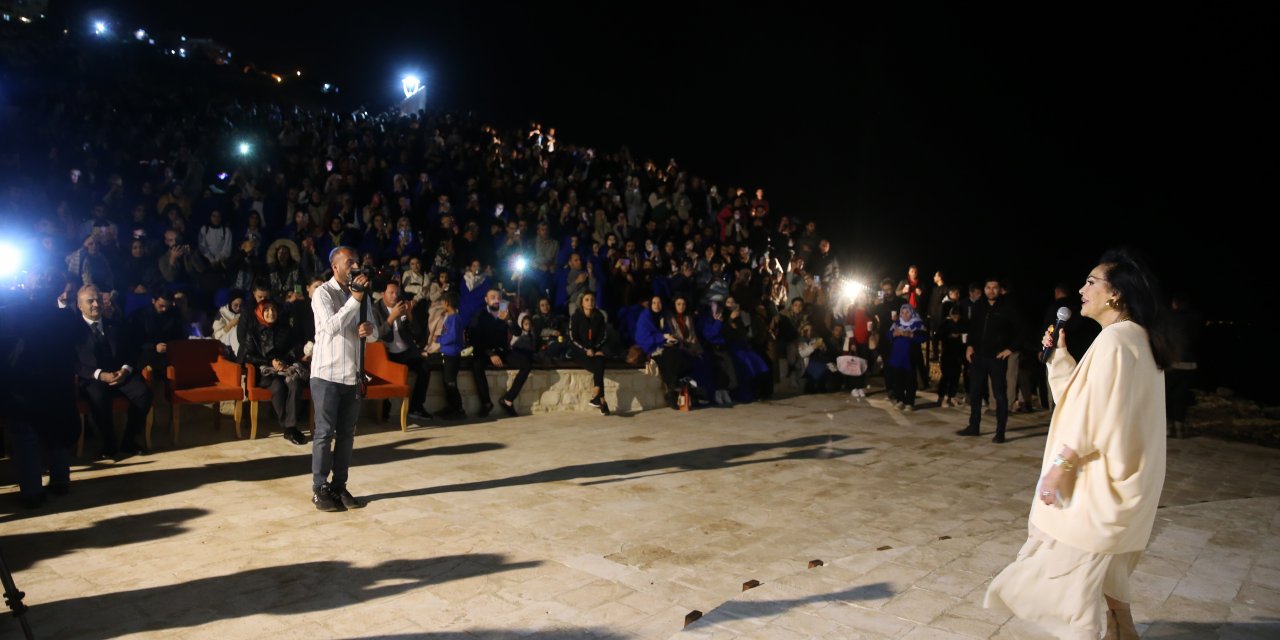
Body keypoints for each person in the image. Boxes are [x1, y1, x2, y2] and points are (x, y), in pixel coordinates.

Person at [986, 249, 1172, 640]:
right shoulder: (1132, 339)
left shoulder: (1116, 342)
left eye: (1091, 282)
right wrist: (1058, 358)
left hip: (1099, 481)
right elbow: (1083, 397)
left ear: (1116, 294)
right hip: (1129, 479)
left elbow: (1097, 417)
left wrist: (1060, 466)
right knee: (1104, 566)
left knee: (1066, 579)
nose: (1081, 290)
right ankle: (1123, 630)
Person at [308, 246, 378, 512]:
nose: (355, 266)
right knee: (324, 433)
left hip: (353, 374)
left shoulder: (362, 294)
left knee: (347, 434)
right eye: (350, 262)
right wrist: (355, 299)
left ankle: (339, 485)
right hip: (327, 374)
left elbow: (373, 334)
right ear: (335, 267)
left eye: (356, 261)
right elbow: (330, 327)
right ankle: (319, 488)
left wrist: (369, 329)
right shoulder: (322, 293)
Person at [73, 285, 153, 460]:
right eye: (90, 301)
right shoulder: (74, 331)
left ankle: (129, 441)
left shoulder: (116, 325)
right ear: (80, 306)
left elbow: (132, 352)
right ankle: (109, 443)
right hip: (93, 378)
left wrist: (125, 370)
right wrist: (99, 374)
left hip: (120, 374)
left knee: (143, 394)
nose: (96, 304)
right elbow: (73, 362)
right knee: (99, 397)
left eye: (99, 300)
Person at [956, 278, 1022, 443]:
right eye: (988, 287)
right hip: (978, 357)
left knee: (1000, 395)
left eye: (995, 288)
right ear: (984, 289)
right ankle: (974, 427)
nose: (991, 291)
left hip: (997, 359)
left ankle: (1000, 432)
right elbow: (973, 328)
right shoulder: (979, 306)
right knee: (975, 393)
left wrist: (1010, 349)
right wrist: (970, 345)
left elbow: (1021, 331)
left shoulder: (1008, 308)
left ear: (1000, 290)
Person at [243, 299, 308, 445]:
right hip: (266, 372)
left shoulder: (285, 329)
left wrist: (283, 361)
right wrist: (269, 362)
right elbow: (247, 355)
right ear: (260, 312)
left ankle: (290, 427)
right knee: (278, 387)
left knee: (295, 385)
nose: (270, 313)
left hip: (285, 368)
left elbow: (295, 348)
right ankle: (288, 427)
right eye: (266, 310)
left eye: (273, 310)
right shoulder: (253, 332)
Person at [370, 281, 433, 423]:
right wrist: (392, 318)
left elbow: (417, 333)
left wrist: (410, 315)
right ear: (383, 294)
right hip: (387, 354)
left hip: (406, 352)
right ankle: (384, 407)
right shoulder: (375, 309)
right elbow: (376, 335)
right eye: (391, 293)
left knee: (425, 367)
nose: (394, 296)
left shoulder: (403, 306)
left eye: (397, 293)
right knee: (384, 373)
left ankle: (416, 407)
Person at [468, 288, 534, 417]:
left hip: (502, 351)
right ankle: (486, 403)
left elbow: (517, 332)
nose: (496, 300)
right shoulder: (480, 314)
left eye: (498, 297)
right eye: (492, 297)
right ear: (486, 300)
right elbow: (474, 338)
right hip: (484, 351)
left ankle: (508, 399)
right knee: (476, 365)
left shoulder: (504, 313)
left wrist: (509, 319)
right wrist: (490, 354)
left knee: (526, 363)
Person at [569, 292, 610, 415]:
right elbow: (572, 338)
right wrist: (585, 350)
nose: (590, 302)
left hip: (594, 350)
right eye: (587, 299)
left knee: (600, 359)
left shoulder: (599, 316)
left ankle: (598, 396)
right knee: (599, 368)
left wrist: (595, 349)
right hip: (579, 351)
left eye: (592, 299)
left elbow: (603, 336)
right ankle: (600, 399)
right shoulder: (575, 316)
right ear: (582, 302)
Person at [885, 304, 928, 410]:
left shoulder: (918, 323)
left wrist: (911, 335)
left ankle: (909, 402)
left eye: (907, 312)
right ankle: (900, 400)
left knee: (910, 380)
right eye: (903, 313)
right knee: (898, 379)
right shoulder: (897, 323)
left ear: (912, 312)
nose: (905, 315)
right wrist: (894, 334)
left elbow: (924, 337)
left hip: (910, 357)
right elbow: (888, 335)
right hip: (897, 357)